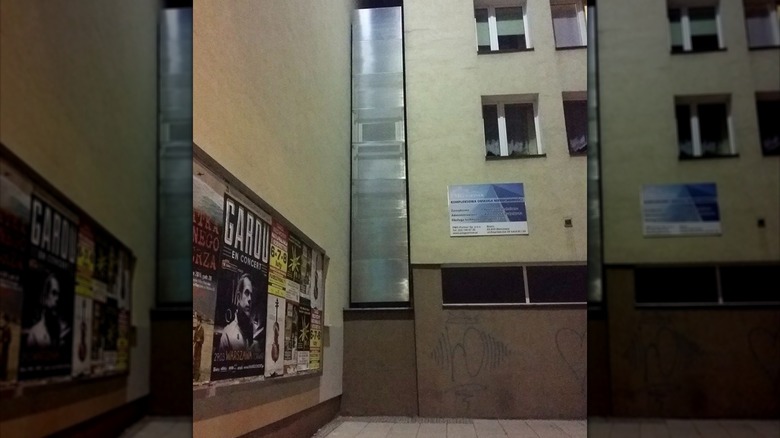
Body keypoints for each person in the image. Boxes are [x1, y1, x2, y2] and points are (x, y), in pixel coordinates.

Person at [219, 273, 262, 352]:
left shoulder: (257, 332)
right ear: (238, 297)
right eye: (247, 293)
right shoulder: (227, 334)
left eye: (252, 295)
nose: (250, 299)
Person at [26, 274, 69, 347]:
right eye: (54, 293)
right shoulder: (35, 334)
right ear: (45, 296)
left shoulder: (63, 331)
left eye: (58, 295)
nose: (57, 299)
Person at [193, 313, 205, 380]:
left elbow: (203, 340)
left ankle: (196, 377)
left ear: (200, 322)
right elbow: (194, 336)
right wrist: (194, 341)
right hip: (195, 347)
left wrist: (199, 340)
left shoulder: (202, 330)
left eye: (197, 321)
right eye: (196, 321)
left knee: (197, 361)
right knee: (194, 361)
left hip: (199, 348)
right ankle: (194, 374)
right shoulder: (197, 328)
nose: (196, 322)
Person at [0, 312, 11, 379]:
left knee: (3, 360)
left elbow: (8, 339)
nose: (2, 320)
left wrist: (4, 340)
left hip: (5, 347)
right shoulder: (5, 327)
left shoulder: (8, 328)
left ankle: (3, 375)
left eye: (3, 319)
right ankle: (2, 374)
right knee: (2, 360)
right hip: (3, 346)